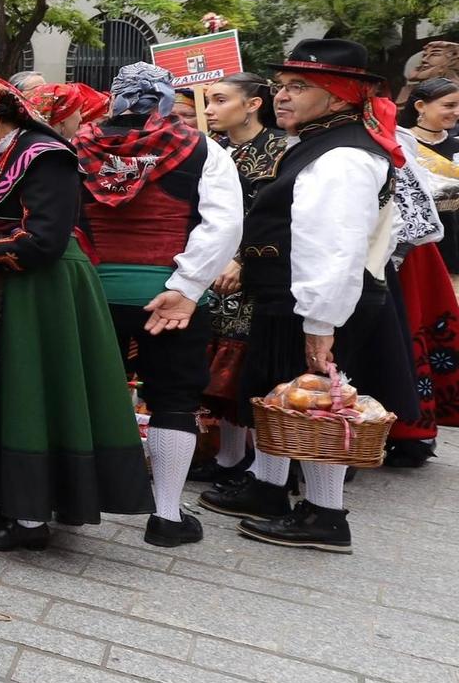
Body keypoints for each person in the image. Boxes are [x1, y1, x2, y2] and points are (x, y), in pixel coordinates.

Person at [200, 40, 414, 553]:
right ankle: (269, 490)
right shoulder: (323, 143)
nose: (283, 96)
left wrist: (321, 323)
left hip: (320, 302)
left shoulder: (343, 156)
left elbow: (334, 247)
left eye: (300, 87)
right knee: (279, 395)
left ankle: (324, 514)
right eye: (283, 86)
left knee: (320, 405)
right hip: (290, 298)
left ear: (339, 98)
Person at [0, 76, 152, 552]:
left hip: (39, 293)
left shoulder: (47, 157)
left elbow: (42, 242)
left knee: (27, 394)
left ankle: (28, 516)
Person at [72, 64, 243, 548]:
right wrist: (187, 285)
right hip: (168, 296)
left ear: (115, 99)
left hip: (89, 292)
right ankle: (166, 516)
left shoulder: (78, 146)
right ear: (167, 100)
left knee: (78, 393)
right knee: (173, 400)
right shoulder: (202, 148)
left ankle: (69, 500)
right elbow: (223, 226)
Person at [197, 72, 287, 486]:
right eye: (208, 101)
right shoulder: (209, 148)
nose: (210, 110)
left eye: (219, 100)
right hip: (207, 272)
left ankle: (260, 465)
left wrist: (241, 260)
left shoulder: (280, 150)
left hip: (255, 273)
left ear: (253, 104)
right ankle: (229, 456)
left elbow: (277, 217)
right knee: (218, 371)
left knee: (248, 366)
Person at [380, 78, 459, 465]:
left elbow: (414, 212)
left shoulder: (390, 142)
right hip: (398, 253)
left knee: (407, 334)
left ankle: (412, 430)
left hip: (406, 256)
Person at [402, 76, 459, 274]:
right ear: (420, 106)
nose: (457, 112)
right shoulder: (401, 144)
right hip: (424, 245)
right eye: (449, 105)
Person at [32, 82, 108, 142]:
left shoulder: (34, 141)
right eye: (78, 111)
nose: (80, 118)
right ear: (63, 115)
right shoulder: (55, 153)